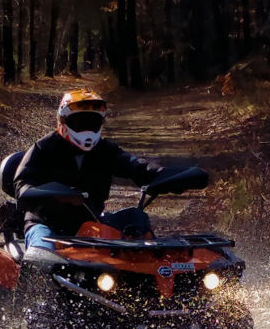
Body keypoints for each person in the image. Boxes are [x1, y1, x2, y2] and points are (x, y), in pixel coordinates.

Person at [13, 89, 165, 250]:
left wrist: (164, 175)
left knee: (137, 220)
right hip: (46, 224)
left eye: (93, 123)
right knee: (43, 252)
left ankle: (153, 272)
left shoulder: (105, 150)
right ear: (64, 120)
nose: (87, 129)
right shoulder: (43, 149)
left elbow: (136, 167)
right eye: (80, 122)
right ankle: (34, 274)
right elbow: (22, 185)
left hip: (92, 224)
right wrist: (55, 195)